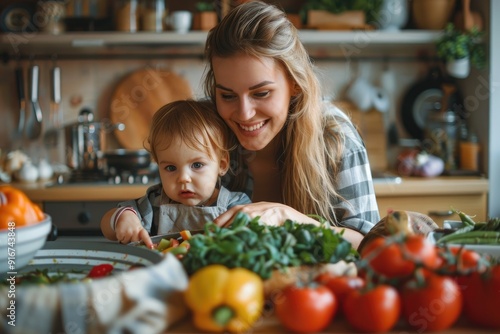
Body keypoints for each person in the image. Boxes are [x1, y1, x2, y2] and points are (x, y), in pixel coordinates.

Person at [202, 1, 380, 249]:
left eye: (261, 93)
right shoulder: (204, 131)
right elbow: (161, 210)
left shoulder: (335, 135)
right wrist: (129, 214)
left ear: (294, 83)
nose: (244, 113)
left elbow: (370, 244)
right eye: (228, 96)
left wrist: (288, 218)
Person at [100, 99, 251, 248]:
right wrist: (123, 218)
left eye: (197, 165)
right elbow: (106, 227)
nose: (183, 178)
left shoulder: (235, 205)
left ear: (222, 165)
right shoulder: (154, 203)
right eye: (171, 168)